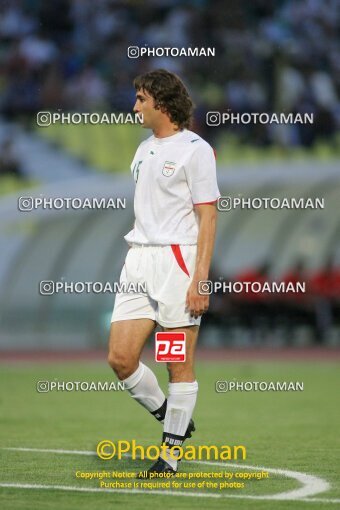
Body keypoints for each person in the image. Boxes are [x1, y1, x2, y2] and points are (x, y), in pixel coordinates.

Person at [108, 69, 220, 476]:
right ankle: (173, 417)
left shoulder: (196, 150)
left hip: (177, 264)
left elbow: (207, 216)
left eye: (141, 98)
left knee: (175, 363)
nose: (134, 106)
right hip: (138, 259)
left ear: (162, 104)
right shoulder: (142, 149)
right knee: (120, 358)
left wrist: (200, 279)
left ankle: (169, 458)